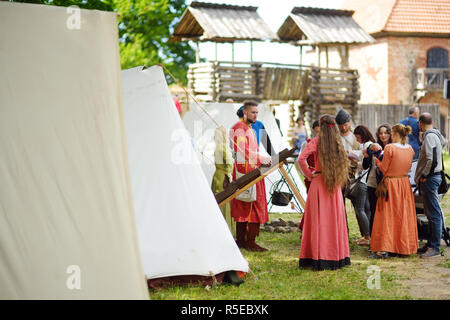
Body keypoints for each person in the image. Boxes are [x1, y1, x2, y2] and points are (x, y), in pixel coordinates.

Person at [297, 114, 350, 270]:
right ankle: (336, 256)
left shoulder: (316, 141)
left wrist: (309, 173)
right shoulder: (337, 142)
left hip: (319, 183)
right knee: (333, 221)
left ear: (321, 126)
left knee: (318, 220)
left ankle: (316, 256)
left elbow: (301, 159)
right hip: (333, 185)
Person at [369, 124, 418, 258]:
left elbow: (384, 168)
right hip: (404, 184)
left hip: (390, 184)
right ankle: (402, 247)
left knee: (386, 216)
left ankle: (384, 248)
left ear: (394, 134)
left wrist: (377, 161)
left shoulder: (389, 148)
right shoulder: (410, 149)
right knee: (402, 215)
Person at [230, 101, 272, 252]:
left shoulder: (248, 128)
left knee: (255, 205)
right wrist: (261, 158)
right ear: (245, 112)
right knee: (245, 206)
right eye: (253, 112)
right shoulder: (238, 129)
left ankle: (249, 240)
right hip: (245, 174)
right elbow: (243, 151)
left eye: (257, 112)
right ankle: (244, 241)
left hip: (253, 171)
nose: (255, 115)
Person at [415, 113, 446, 258]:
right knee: (430, 212)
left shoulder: (430, 137)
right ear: (432, 121)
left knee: (433, 214)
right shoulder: (435, 135)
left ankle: (435, 247)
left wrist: (423, 175)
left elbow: (431, 160)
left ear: (420, 123)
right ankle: (430, 243)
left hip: (431, 178)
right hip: (433, 177)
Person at [363, 124, 392, 234]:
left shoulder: (392, 147)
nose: (383, 135)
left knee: (386, 212)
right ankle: (373, 237)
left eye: (386, 133)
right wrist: (367, 156)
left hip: (388, 184)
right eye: (381, 133)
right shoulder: (373, 147)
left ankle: (385, 236)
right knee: (374, 211)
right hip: (373, 183)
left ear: (390, 134)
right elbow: (365, 166)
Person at [352, 125, 377, 246]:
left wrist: (356, 162)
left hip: (363, 180)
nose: (357, 139)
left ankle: (367, 236)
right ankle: (368, 235)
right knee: (366, 209)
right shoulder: (368, 144)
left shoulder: (368, 145)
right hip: (367, 181)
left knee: (360, 209)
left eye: (357, 137)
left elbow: (366, 165)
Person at [211, 126, 236, 237]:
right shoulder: (223, 147)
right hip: (223, 177)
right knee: (224, 202)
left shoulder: (217, 147)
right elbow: (229, 165)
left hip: (217, 175)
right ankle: (225, 231)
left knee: (217, 200)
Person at [297, 120, 319, 231]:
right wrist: (307, 174)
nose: (318, 135)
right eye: (316, 132)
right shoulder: (308, 143)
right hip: (312, 176)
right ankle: (307, 227)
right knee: (312, 204)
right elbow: (299, 161)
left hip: (323, 178)